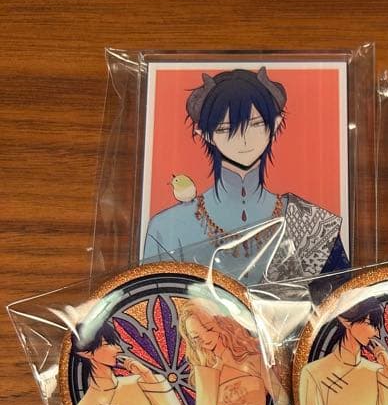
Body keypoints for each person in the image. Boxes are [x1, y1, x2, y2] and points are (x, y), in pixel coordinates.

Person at [143, 68, 348, 285]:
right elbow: (151, 301)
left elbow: (343, 301)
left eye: (257, 124)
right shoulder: (167, 228)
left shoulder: (313, 224)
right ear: (205, 134)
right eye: (225, 128)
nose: (243, 139)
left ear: (275, 124)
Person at [177, 298, 287, 405]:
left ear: (221, 323)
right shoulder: (206, 373)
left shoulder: (255, 360)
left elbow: (284, 404)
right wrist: (211, 370)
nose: (204, 339)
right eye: (196, 337)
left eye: (208, 328)